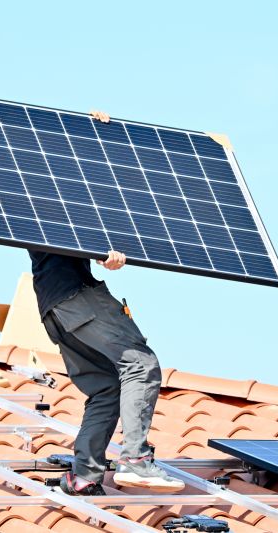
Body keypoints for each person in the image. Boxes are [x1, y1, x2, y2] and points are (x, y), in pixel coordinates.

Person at [30, 111, 185, 496]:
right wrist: (90, 132)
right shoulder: (54, 189)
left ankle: (84, 475)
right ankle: (135, 460)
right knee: (140, 364)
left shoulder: (36, 194)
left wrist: (95, 129)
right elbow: (81, 183)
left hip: (54, 310)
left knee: (106, 388)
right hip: (77, 297)